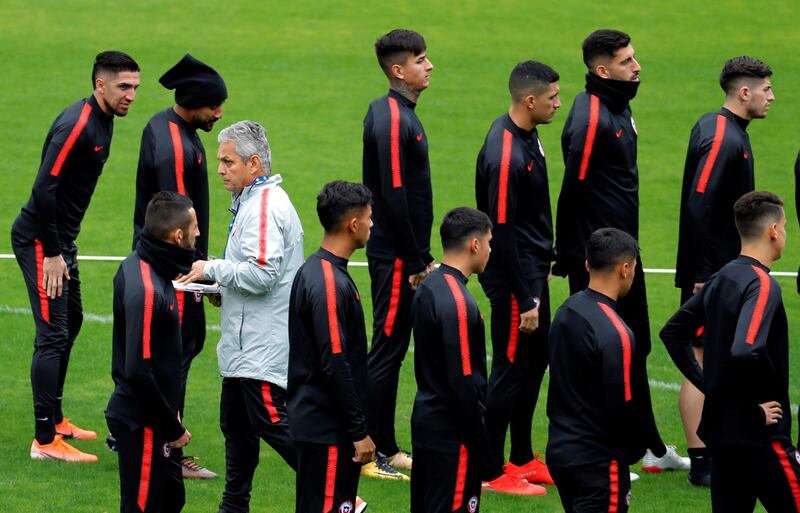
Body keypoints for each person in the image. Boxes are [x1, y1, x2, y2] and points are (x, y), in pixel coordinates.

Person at [554, 29, 687, 473]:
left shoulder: (617, 104)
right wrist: (572, 255)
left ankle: (648, 445)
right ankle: (609, 447)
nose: (637, 66)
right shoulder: (591, 116)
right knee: (606, 350)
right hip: (601, 260)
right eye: (628, 61)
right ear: (602, 69)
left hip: (625, 252)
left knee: (637, 343)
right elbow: (572, 189)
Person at [11, 50, 140, 462]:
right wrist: (51, 252)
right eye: (123, 86)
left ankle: (57, 415)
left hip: (61, 241)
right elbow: (43, 189)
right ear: (99, 84)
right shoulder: (77, 125)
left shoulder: (105, 119)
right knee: (52, 334)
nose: (131, 95)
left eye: (135, 87)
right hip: (40, 240)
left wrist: (63, 247)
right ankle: (44, 441)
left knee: (73, 319)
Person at [177, 120, 304, 513]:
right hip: (244, 346)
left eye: (228, 161)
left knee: (273, 425)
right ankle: (234, 507)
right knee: (236, 428)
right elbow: (251, 271)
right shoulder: (254, 200)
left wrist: (211, 270)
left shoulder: (264, 207)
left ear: (253, 164)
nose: (219, 169)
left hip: (260, 349)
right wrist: (220, 287)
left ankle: (338, 492)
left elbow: (263, 274)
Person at [673, 56, 774, 486]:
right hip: (711, 270)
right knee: (699, 357)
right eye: (766, 89)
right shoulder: (722, 136)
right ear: (743, 92)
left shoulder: (731, 132)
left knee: (712, 356)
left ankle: (712, 450)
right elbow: (700, 203)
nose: (772, 97)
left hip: (719, 268)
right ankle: (700, 462)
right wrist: (701, 271)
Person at [661, 191, 796, 513]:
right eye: (786, 226)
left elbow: (672, 332)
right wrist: (750, 412)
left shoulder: (722, 277)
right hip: (761, 438)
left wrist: (708, 383)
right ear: (773, 230)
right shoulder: (762, 285)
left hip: (722, 435)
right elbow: (744, 350)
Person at [129, 53, 227, 479]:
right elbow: (178, 226)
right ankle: (170, 448)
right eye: (213, 105)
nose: (219, 112)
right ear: (192, 101)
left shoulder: (168, 125)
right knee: (176, 353)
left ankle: (137, 432)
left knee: (173, 353)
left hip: (164, 266)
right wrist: (201, 277)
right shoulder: (174, 145)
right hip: (174, 272)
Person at [411, 207, 545, 511]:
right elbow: (463, 384)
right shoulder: (458, 301)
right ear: (474, 245)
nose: (490, 249)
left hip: (427, 425)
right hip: (452, 437)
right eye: (489, 242)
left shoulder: (429, 287)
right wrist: (482, 450)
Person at [475, 60, 561, 486]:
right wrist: (525, 295)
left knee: (534, 363)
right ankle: (490, 469)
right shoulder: (506, 152)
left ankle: (522, 456)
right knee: (509, 369)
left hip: (532, 273)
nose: (558, 104)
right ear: (530, 100)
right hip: (515, 282)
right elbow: (502, 231)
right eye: (552, 98)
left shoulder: (529, 135)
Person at [361, 28, 434, 480]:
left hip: (402, 255)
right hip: (396, 259)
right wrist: (417, 257)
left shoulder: (401, 113)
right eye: (421, 59)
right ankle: (372, 453)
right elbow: (392, 192)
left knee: (393, 348)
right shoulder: (389, 117)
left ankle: (384, 445)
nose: (429, 66)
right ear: (398, 70)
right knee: (386, 351)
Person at [106, 192, 198, 513]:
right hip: (143, 421)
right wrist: (172, 429)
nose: (198, 233)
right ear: (177, 235)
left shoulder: (149, 266)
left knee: (172, 499)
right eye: (194, 227)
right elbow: (137, 370)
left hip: (155, 415)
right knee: (144, 507)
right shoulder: (146, 289)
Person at [288, 181, 375, 513]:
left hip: (323, 426)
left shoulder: (321, 271)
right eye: (369, 217)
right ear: (353, 224)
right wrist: (358, 430)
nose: (372, 224)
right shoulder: (327, 282)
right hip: (327, 430)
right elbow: (335, 360)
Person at [547, 228, 647, 513]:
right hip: (598, 462)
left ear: (587, 264)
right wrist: (633, 451)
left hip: (561, 453)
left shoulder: (565, 311)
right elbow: (621, 407)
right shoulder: (616, 332)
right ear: (625, 268)